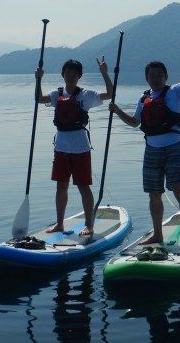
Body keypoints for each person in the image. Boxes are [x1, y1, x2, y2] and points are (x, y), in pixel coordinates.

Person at [110, 44, 180, 247]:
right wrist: (117, 111)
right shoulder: (143, 99)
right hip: (151, 150)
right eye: (152, 75)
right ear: (147, 78)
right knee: (154, 194)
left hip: (173, 148)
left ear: (165, 76)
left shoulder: (174, 92)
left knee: (179, 190)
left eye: (159, 75)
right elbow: (135, 123)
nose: (156, 78)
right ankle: (157, 234)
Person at [35, 57, 113, 237]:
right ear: (63, 75)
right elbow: (39, 98)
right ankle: (60, 224)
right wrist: (38, 79)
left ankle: (89, 225)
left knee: (83, 186)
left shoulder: (86, 95)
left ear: (79, 76)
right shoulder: (57, 94)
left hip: (80, 149)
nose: (70, 76)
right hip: (61, 147)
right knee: (61, 186)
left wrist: (104, 74)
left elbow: (109, 94)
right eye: (67, 73)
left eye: (73, 74)